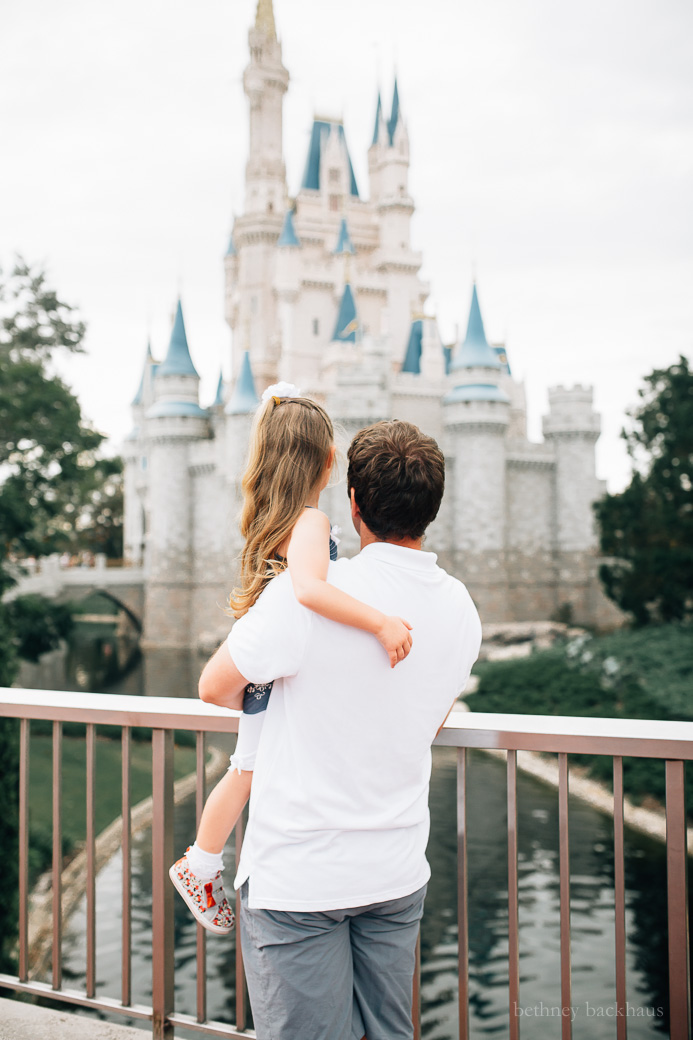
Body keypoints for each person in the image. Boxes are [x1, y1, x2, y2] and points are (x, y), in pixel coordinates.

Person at [197, 418, 482, 1040]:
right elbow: (426, 722)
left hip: (302, 880)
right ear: (433, 507)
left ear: (353, 503)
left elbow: (215, 687)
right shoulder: (461, 607)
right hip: (396, 871)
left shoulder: (313, 596)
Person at [169, 386, 413, 934]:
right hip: (272, 676)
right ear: (328, 461)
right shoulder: (312, 523)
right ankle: (200, 863)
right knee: (246, 769)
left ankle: (202, 862)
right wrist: (380, 622)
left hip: (267, 675)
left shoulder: (276, 522)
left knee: (244, 768)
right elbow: (308, 591)